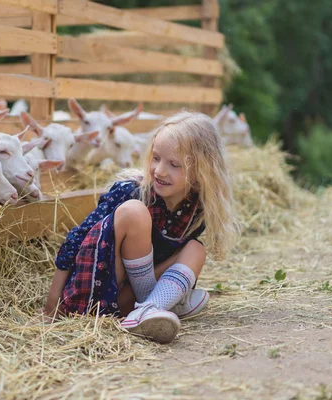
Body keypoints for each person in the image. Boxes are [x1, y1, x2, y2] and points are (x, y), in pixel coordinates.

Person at [43, 111, 237, 344]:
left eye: (174, 164)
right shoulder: (131, 191)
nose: (159, 171)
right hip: (94, 297)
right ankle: (161, 306)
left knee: (196, 249)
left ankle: (149, 310)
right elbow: (76, 239)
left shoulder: (196, 210)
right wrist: (52, 306)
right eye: (156, 158)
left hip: (127, 305)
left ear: (201, 172)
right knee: (134, 212)